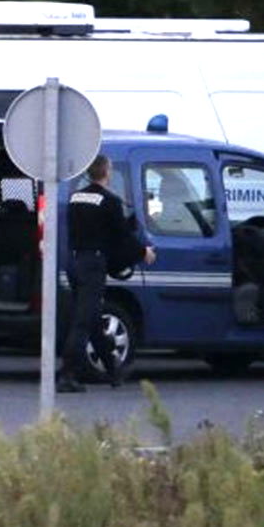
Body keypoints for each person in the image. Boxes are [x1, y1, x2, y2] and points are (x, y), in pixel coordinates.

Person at [63, 154, 154, 391]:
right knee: (83, 321)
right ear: (106, 172)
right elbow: (122, 236)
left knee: (92, 317)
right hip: (93, 264)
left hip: (74, 261)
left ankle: (113, 371)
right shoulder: (110, 201)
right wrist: (143, 252)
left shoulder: (75, 197)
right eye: (110, 168)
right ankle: (68, 375)